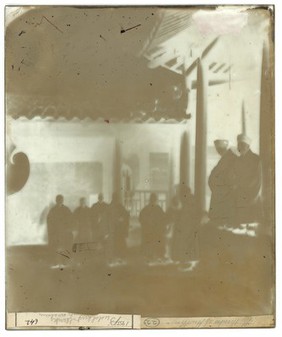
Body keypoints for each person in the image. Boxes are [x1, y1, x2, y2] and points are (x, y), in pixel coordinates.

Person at [233, 134, 263, 225]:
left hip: (251, 197)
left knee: (251, 224)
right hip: (239, 197)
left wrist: (249, 195)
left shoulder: (256, 159)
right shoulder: (237, 160)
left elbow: (257, 180)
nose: (239, 147)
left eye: (242, 145)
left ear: (248, 146)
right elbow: (235, 177)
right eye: (238, 145)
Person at [208, 139, 238, 226]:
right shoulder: (224, 159)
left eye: (220, 149)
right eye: (218, 149)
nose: (219, 151)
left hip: (225, 194)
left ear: (225, 148)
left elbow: (230, 177)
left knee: (223, 220)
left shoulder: (231, 158)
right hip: (219, 193)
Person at [171, 185, 199, 271]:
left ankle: (184, 261)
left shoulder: (187, 201)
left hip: (185, 226)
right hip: (189, 225)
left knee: (183, 243)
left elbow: (182, 213)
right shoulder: (191, 199)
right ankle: (186, 261)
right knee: (187, 243)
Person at [139, 193, 166, 265]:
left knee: (149, 245)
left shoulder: (145, 209)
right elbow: (163, 220)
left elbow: (141, 219)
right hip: (155, 232)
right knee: (157, 243)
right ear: (156, 200)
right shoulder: (159, 209)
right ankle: (156, 257)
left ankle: (149, 258)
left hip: (148, 231)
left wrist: (146, 225)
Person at [47, 194, 73, 268]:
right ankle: (56, 262)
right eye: (58, 200)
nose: (60, 201)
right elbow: (49, 220)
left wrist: (68, 229)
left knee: (65, 246)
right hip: (56, 233)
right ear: (56, 201)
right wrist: (52, 230)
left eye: (61, 200)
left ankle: (64, 262)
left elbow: (71, 219)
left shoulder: (66, 209)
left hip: (64, 232)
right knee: (56, 247)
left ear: (63, 200)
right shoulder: (53, 210)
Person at [107, 192, 130, 267]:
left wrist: (122, 219)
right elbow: (125, 215)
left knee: (117, 244)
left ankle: (117, 258)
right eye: (116, 198)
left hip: (117, 229)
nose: (116, 199)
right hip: (115, 229)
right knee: (115, 244)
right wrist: (120, 219)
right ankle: (115, 259)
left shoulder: (113, 206)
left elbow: (126, 215)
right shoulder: (112, 206)